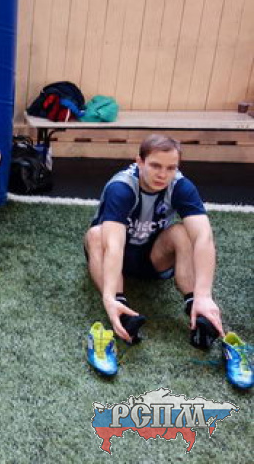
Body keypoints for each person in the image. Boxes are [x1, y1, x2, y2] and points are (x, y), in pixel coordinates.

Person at [84, 134, 251, 389]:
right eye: (155, 166)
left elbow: (203, 238)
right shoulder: (122, 187)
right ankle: (121, 308)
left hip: (154, 257)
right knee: (96, 235)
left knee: (184, 232)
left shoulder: (181, 187)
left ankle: (196, 308)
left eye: (171, 167)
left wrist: (204, 295)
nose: (163, 174)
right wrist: (108, 297)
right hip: (113, 257)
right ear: (139, 162)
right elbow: (113, 245)